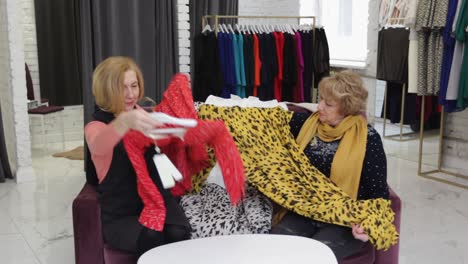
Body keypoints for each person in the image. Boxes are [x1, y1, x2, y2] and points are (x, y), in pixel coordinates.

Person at [271, 70, 389, 260]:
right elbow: (266, 121)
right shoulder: (305, 124)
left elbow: (379, 192)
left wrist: (369, 224)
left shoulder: (368, 139)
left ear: (346, 108)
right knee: (275, 249)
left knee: (314, 257)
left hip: (343, 219)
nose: (319, 107)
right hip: (305, 210)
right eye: (320, 99)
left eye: (328, 104)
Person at [85, 56, 191, 256]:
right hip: (122, 214)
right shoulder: (95, 127)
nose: (130, 94)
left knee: (178, 232)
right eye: (122, 88)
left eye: (134, 86)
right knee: (152, 236)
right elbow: (99, 145)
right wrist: (125, 121)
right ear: (106, 90)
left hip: (158, 201)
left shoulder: (142, 114)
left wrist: (176, 134)